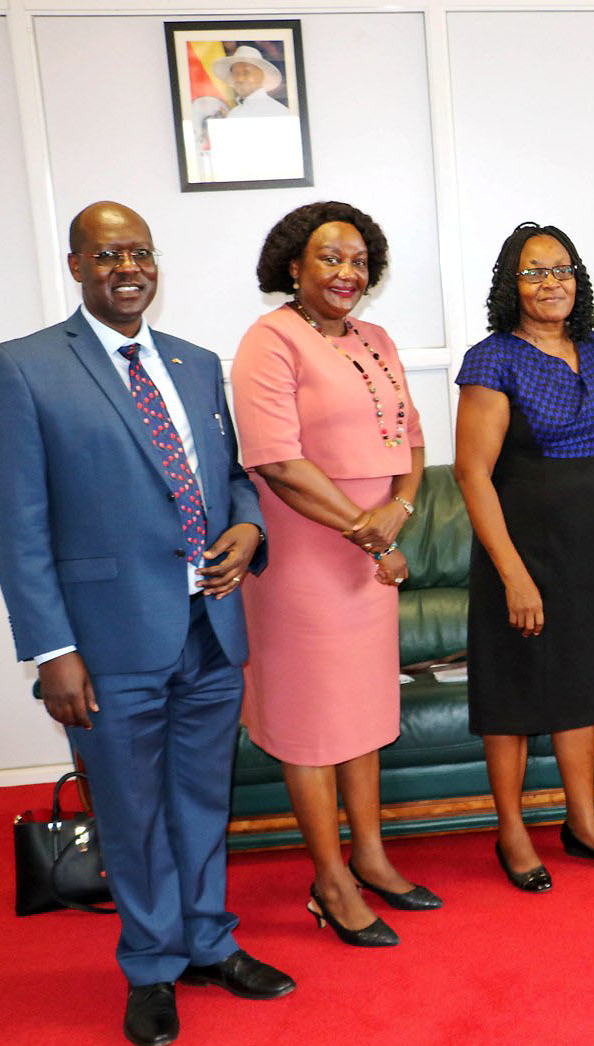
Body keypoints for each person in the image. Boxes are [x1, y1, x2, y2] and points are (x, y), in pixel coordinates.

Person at [0, 201, 294, 1046]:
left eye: (142, 252)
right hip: (105, 640)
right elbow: (18, 525)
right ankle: (151, 966)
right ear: (76, 263)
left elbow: (229, 477)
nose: (129, 266)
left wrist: (249, 527)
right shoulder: (25, 368)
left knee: (202, 799)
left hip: (211, 626)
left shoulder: (195, 363)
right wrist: (52, 649)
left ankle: (208, 943)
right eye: (109, 252)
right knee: (130, 809)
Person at [231, 201, 438, 947]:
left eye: (358, 260)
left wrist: (402, 509)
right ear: (293, 263)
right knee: (314, 725)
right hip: (305, 563)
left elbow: (411, 439)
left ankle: (372, 857)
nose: (347, 272)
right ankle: (330, 880)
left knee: (361, 717)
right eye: (330, 257)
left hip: (370, 559)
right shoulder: (269, 341)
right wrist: (367, 534)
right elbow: (278, 462)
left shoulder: (376, 338)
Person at [452, 222, 594, 893]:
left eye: (561, 269)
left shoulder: (590, 348)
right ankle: (511, 831)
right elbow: (472, 474)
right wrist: (512, 574)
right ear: (512, 284)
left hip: (587, 542)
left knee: (581, 684)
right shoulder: (492, 359)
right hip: (521, 545)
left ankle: (583, 821)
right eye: (534, 271)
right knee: (514, 691)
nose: (550, 282)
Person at [211, 45, 289, 117]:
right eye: (235, 73)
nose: (239, 79)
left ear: (261, 76)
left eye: (246, 72)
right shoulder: (233, 114)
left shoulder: (279, 112)